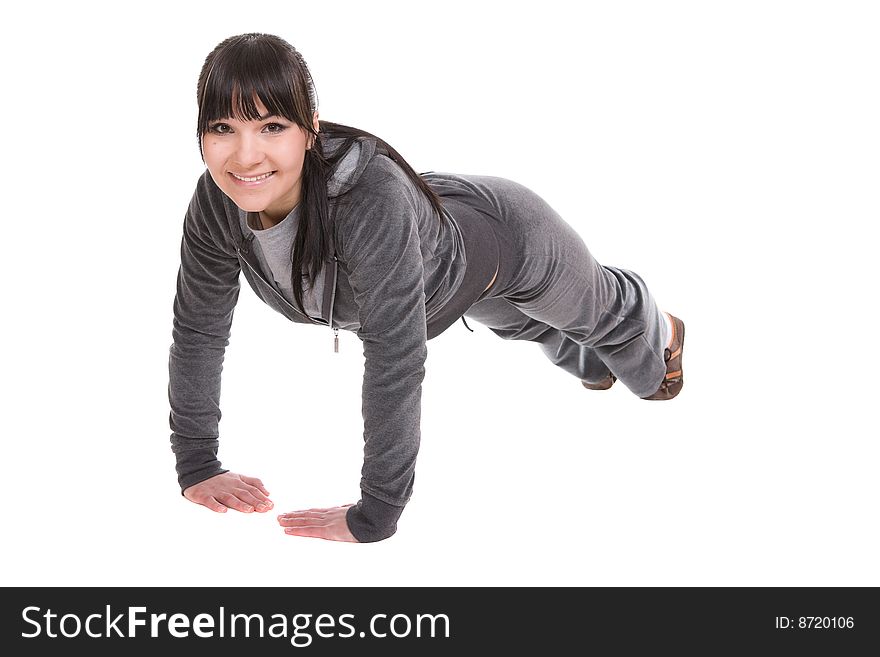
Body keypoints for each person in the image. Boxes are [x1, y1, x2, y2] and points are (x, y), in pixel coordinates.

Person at [168, 33, 686, 544]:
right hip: (433, 254)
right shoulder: (216, 204)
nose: (246, 155)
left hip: (510, 240)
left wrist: (377, 512)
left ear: (309, 130)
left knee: (620, 341)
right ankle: (591, 359)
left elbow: (395, 355)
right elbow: (199, 332)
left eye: (271, 126)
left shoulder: (367, 200)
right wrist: (197, 464)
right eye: (222, 127)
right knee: (543, 336)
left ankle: (660, 326)